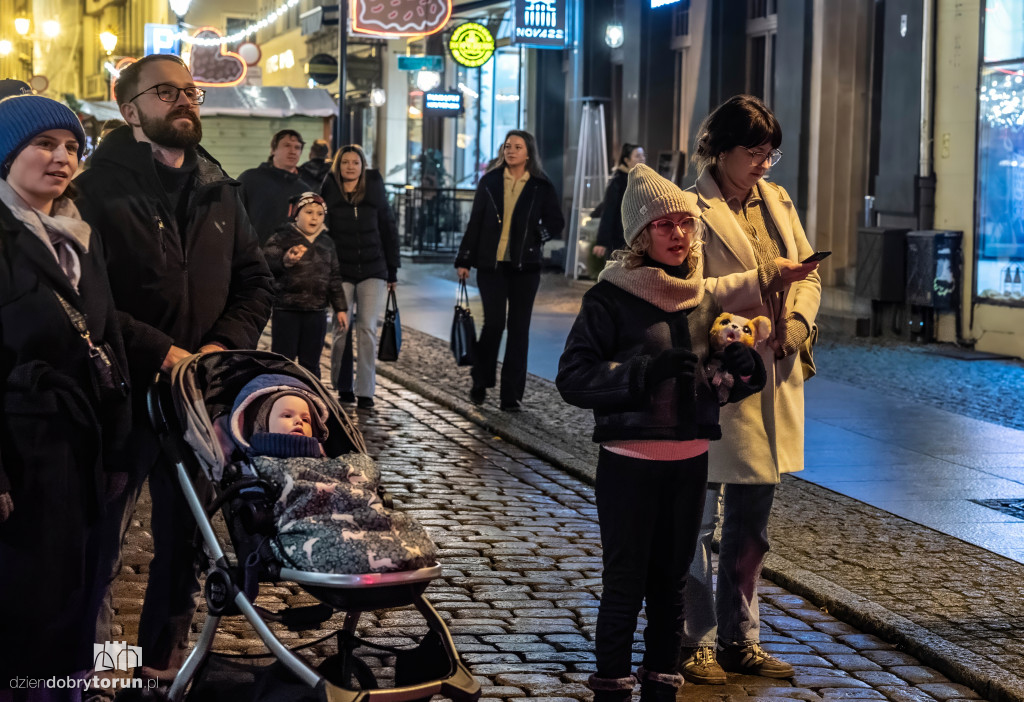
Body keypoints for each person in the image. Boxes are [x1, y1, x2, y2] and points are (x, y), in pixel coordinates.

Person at [73, 53, 274, 682]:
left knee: (185, 542)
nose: (184, 101)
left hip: (196, 395)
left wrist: (217, 349)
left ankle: (161, 668)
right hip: (123, 393)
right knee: (98, 542)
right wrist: (164, 352)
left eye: (192, 91)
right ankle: (85, 670)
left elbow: (255, 281)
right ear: (129, 110)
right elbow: (90, 298)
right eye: (165, 92)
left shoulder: (219, 184)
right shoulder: (93, 190)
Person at [556, 164, 765, 702]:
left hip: (690, 460)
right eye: (664, 225)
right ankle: (611, 686)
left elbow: (720, 385)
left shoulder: (702, 300)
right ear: (639, 235)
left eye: (685, 224)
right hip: (629, 461)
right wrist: (640, 375)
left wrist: (743, 370)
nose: (678, 235)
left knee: (672, 586)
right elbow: (573, 378)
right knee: (626, 583)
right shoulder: (609, 299)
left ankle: (661, 688)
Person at [678, 94, 821, 684]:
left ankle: (744, 638)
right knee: (696, 522)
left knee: (752, 527)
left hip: (775, 377)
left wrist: (798, 321)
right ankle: (695, 640)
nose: (765, 163)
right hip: (719, 381)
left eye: (771, 152)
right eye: (754, 152)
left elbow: (809, 275)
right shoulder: (690, 207)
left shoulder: (778, 202)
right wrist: (759, 283)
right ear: (721, 150)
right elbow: (687, 290)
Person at [0, 95, 131, 689]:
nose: (61, 158)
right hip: (19, 447)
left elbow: (109, 339)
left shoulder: (80, 234)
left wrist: (120, 449)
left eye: (72, 147)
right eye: (44, 145)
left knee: (75, 588)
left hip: (81, 446)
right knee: (24, 599)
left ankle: (66, 687)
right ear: (7, 156)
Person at [221, 374, 436, 575]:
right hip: (309, 527)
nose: (298, 422)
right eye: (287, 415)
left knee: (409, 529)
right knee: (343, 547)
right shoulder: (259, 466)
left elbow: (359, 479)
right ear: (260, 425)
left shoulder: (329, 461)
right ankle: (377, 556)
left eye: (306, 420)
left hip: (359, 518)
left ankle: (382, 551)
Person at [455, 129, 565, 411]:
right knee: (493, 324)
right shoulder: (490, 181)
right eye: (507, 146)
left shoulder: (541, 185)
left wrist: (537, 235)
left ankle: (511, 395)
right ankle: (480, 380)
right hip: (491, 266)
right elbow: (475, 222)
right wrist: (464, 259)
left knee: (519, 330)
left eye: (517, 147)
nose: (511, 151)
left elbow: (556, 222)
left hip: (525, 268)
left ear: (528, 153)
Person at [319, 144, 400, 410]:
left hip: (373, 269)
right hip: (341, 270)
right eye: (345, 163)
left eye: (355, 162)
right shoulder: (329, 191)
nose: (350, 167)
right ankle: (342, 385)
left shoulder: (374, 191)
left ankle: (366, 390)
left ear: (362, 166)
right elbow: (320, 231)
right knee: (342, 329)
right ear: (338, 166)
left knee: (366, 328)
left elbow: (389, 229)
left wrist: (392, 269)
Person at [262, 191, 348, 377]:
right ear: (297, 213)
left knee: (311, 363)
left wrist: (340, 308)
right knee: (283, 360)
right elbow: (266, 264)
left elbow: (334, 277)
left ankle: (310, 399)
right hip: (287, 310)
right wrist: (285, 261)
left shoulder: (327, 243)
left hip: (316, 312)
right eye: (309, 212)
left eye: (319, 214)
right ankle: (281, 394)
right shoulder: (282, 237)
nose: (314, 218)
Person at [239, 128, 315, 244]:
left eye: (297, 147)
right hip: (253, 255)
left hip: (289, 257)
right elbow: (233, 217)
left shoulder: (304, 190)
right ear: (273, 150)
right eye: (287, 145)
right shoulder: (250, 179)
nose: (292, 151)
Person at [592, 143, 645, 259]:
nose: (642, 159)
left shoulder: (641, 179)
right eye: (638, 156)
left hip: (637, 238)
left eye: (643, 155)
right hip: (619, 239)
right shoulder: (618, 181)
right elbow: (608, 211)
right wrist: (602, 241)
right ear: (626, 160)